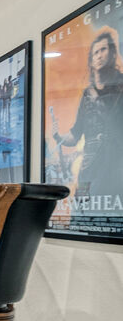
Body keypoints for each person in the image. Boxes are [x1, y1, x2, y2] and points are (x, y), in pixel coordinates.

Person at [53, 27, 123, 203]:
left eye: (103, 50)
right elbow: (75, 135)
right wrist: (57, 136)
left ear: (112, 53)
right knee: (81, 214)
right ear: (91, 60)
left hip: (115, 166)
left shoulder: (121, 86)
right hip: (89, 167)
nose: (99, 56)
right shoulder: (86, 95)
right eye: (95, 52)